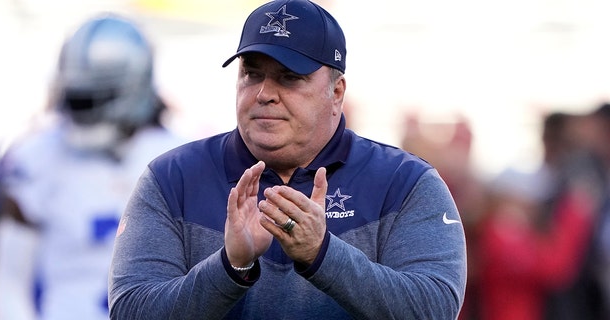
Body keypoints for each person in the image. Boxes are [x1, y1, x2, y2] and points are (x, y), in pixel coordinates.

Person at [108, 0, 467, 319]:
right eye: (252, 73)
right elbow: (129, 310)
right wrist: (231, 266)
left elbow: (434, 308)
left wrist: (322, 254)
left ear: (336, 92)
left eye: (289, 78)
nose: (265, 94)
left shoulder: (404, 182)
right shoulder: (174, 178)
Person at [0, 13, 184, 320]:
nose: (80, 111)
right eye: (76, 97)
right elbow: (9, 283)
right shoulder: (37, 156)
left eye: (92, 99)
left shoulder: (177, 157)